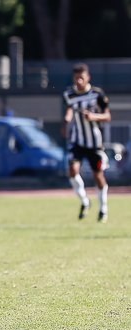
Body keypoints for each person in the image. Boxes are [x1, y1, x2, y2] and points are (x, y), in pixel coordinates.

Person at [62, 63, 110, 222]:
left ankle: (103, 209)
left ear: (87, 77)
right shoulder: (69, 94)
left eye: (81, 78)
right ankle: (84, 200)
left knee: (98, 175)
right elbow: (70, 108)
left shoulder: (97, 94)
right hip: (78, 141)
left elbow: (107, 116)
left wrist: (94, 117)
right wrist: (66, 121)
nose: (79, 81)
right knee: (72, 170)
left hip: (94, 143)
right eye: (76, 78)